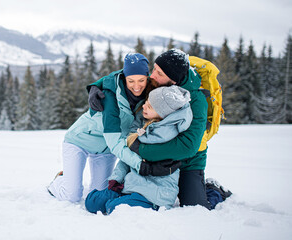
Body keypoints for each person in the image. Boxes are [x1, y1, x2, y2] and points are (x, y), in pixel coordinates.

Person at [88, 49, 232, 210]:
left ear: (174, 81)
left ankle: (214, 190)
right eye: (154, 69)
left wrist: (140, 149)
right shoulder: (157, 83)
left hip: (188, 161)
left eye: (159, 73)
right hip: (154, 155)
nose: (153, 76)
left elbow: (188, 147)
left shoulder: (196, 100)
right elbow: (127, 75)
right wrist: (97, 86)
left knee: (196, 207)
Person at [48, 53, 157, 202]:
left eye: (141, 80)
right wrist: (138, 164)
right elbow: (114, 140)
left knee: (97, 195)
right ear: (124, 78)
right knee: (72, 196)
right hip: (79, 141)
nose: (136, 86)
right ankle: (59, 180)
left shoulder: (149, 95)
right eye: (131, 80)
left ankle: (70, 181)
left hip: (105, 151)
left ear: (147, 77)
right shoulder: (110, 97)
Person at [85, 85, 192, 214]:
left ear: (162, 115)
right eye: (146, 102)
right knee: (93, 202)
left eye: (150, 106)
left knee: (113, 208)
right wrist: (116, 179)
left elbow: (136, 153)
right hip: (132, 184)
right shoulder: (144, 124)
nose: (143, 107)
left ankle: (147, 205)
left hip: (155, 193)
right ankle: (124, 198)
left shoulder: (165, 134)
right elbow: (128, 158)